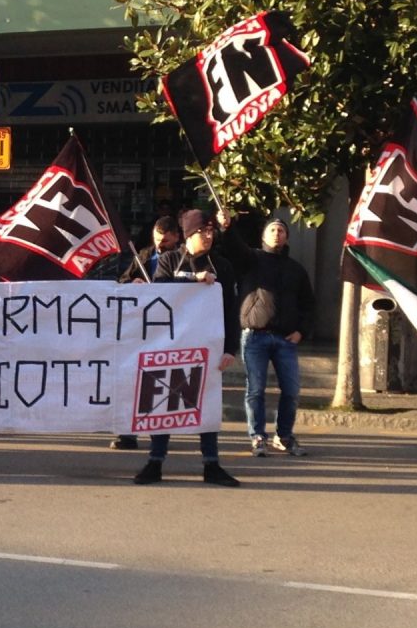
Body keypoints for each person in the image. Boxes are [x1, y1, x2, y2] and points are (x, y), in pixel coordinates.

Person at [133, 208, 241, 488]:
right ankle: (155, 462)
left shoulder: (223, 266)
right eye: (202, 232)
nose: (208, 236)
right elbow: (160, 290)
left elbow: (230, 309)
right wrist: (193, 279)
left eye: (211, 231)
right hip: (171, 346)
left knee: (206, 404)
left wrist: (230, 348)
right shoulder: (169, 260)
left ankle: (211, 464)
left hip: (208, 348)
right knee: (164, 403)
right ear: (189, 234)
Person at [218, 211, 316, 458]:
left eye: (281, 230)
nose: (277, 233)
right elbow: (234, 247)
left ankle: (284, 436)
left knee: (291, 391)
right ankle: (258, 436)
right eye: (272, 229)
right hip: (255, 337)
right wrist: (227, 228)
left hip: (285, 340)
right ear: (263, 235)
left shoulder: (296, 269)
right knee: (256, 390)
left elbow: (308, 304)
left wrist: (301, 332)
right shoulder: (252, 259)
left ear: (287, 237)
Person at [109, 215, 181, 451]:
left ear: (177, 238)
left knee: (160, 383)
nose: (160, 246)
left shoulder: (183, 259)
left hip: (167, 329)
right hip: (139, 328)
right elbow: (122, 281)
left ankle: (157, 434)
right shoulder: (144, 255)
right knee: (131, 381)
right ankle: (126, 433)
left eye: (166, 242)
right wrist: (133, 285)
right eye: (158, 240)